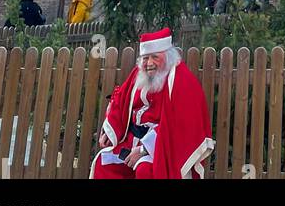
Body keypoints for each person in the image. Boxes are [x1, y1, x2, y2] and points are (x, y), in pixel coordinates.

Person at [90, 28, 214, 180]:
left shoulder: (182, 81)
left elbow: (178, 126)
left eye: (154, 57)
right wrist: (109, 130)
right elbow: (120, 101)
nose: (148, 63)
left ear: (168, 57)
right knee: (105, 163)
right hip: (131, 141)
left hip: (162, 148)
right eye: (145, 58)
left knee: (145, 170)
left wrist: (143, 149)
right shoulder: (139, 73)